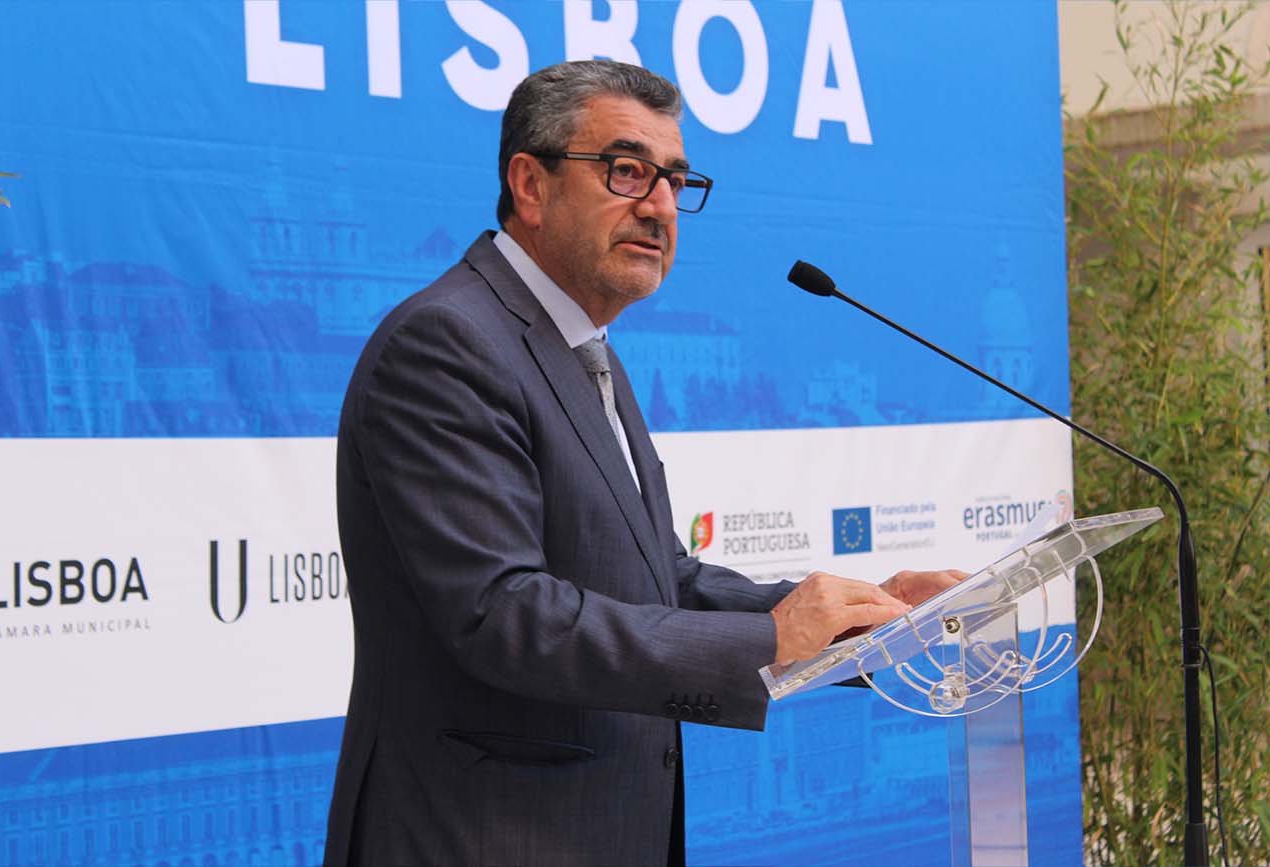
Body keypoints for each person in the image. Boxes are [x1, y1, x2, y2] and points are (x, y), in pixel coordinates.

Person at [323, 59, 961, 867]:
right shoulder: (447, 343)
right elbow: (503, 612)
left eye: (676, 181)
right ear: (531, 184)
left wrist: (861, 623)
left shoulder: (580, 345)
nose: (660, 205)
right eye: (627, 171)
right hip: (481, 837)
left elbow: (658, 579)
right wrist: (768, 639)